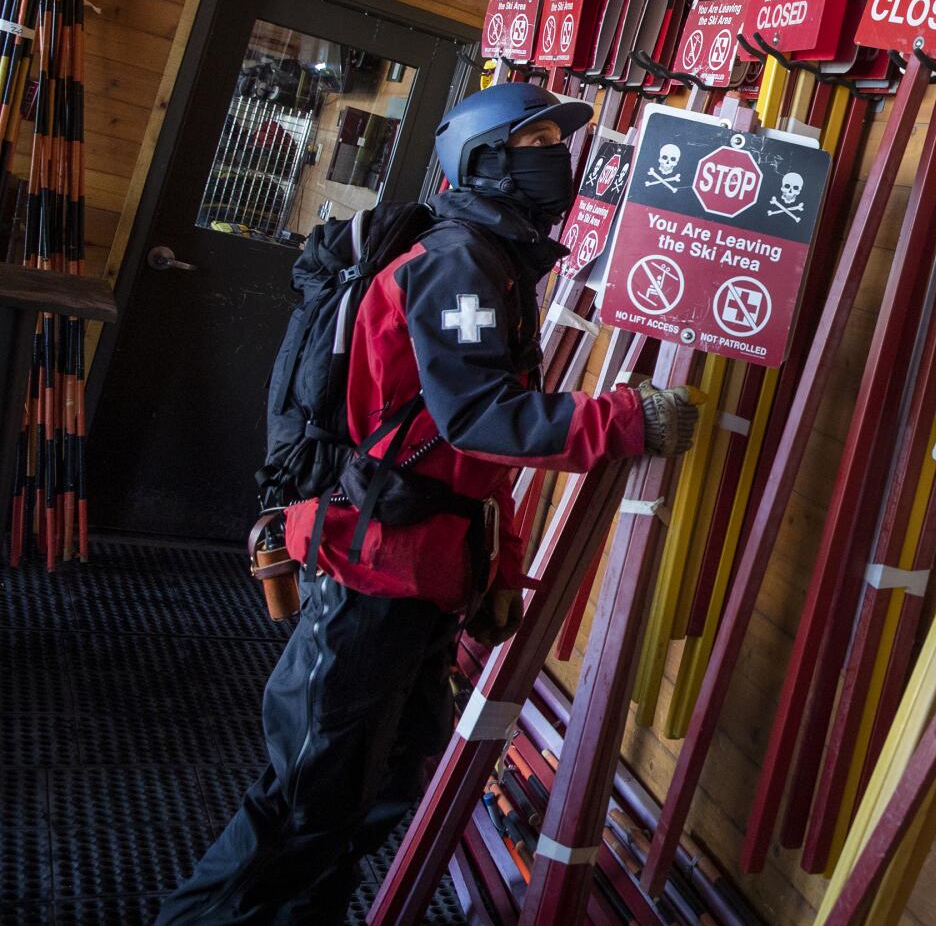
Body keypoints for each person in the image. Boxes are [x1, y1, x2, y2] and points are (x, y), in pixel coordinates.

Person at [159, 83, 696, 925]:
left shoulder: (492, 259)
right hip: (369, 571)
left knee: (367, 798)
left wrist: (492, 567)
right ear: (484, 159)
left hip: (420, 574)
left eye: (559, 139)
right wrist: (626, 419)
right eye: (538, 140)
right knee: (303, 800)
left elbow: (460, 455)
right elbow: (479, 418)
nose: (558, 157)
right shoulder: (459, 262)